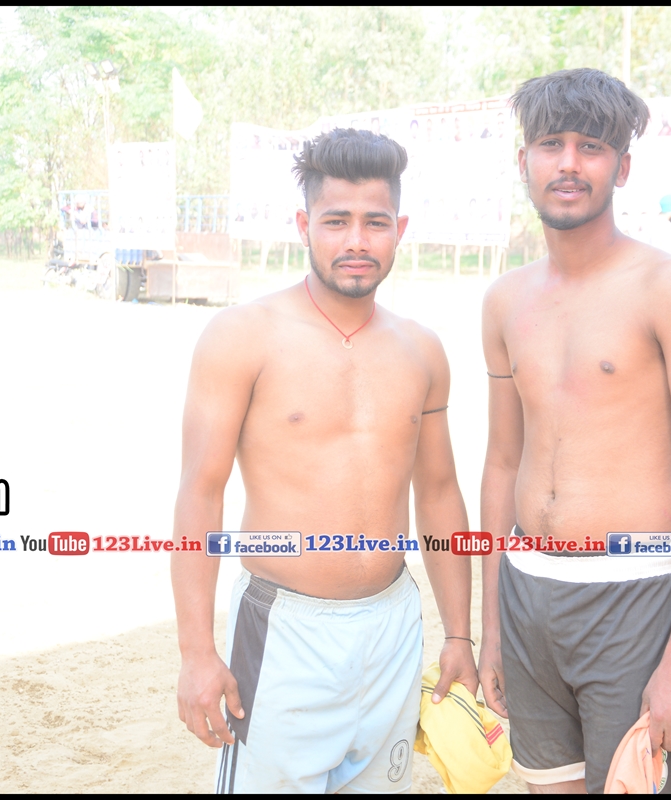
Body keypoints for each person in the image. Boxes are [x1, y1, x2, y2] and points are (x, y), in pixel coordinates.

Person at [171, 128, 478, 794]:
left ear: (399, 229)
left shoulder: (421, 349)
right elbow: (200, 492)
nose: (356, 241)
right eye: (336, 221)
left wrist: (459, 634)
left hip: (393, 625)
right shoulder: (242, 336)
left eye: (375, 223)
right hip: (285, 629)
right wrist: (197, 653)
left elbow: (439, 491)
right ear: (304, 225)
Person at [478, 68, 671, 794]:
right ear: (524, 160)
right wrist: (492, 624)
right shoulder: (504, 301)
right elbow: (501, 463)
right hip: (526, 596)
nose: (568, 163)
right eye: (550, 144)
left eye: (591, 147)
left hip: (633, 598)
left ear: (622, 168)